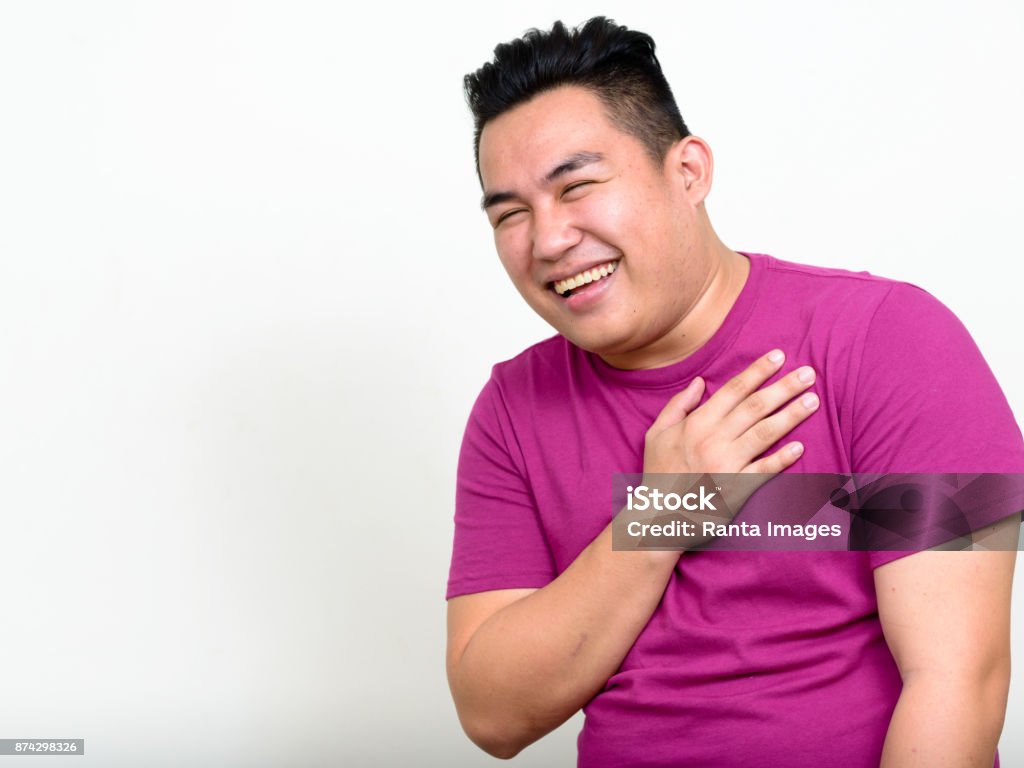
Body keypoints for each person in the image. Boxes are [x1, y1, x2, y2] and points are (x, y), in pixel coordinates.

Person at [445, 16, 1022, 768]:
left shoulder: (894, 340)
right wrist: (664, 513)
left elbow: (958, 685)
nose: (547, 239)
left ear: (687, 172)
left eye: (577, 186)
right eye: (511, 214)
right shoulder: (512, 410)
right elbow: (492, 715)